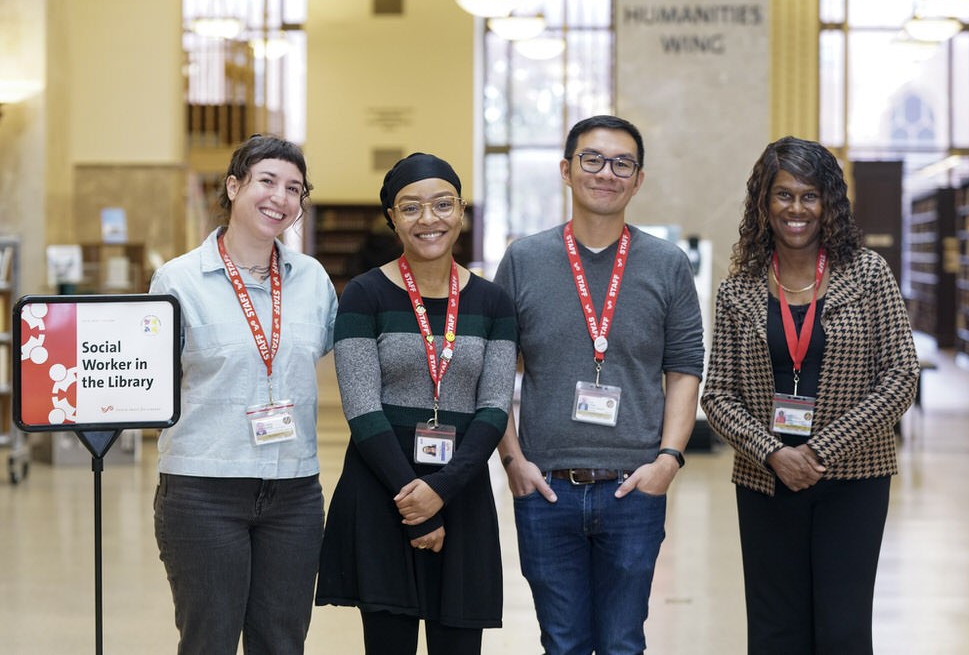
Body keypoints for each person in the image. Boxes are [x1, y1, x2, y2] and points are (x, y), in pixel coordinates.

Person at [493, 115, 705, 655]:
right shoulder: (524, 260)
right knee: (561, 643)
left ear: (638, 180)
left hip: (633, 486)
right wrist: (513, 460)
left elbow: (684, 368)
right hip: (545, 487)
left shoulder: (667, 265)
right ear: (566, 170)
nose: (605, 173)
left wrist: (668, 461)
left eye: (622, 163)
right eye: (592, 159)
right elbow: (494, 370)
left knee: (622, 643)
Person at [700, 136, 919, 653]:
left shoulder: (868, 276)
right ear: (763, 203)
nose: (796, 208)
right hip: (765, 479)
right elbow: (718, 395)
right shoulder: (739, 288)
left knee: (842, 629)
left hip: (854, 480)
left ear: (828, 204)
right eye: (783, 195)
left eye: (809, 195)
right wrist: (774, 452)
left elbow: (901, 375)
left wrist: (820, 450)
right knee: (776, 631)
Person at [315, 153, 518, 655]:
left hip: (461, 491)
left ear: (462, 211)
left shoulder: (492, 303)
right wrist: (415, 500)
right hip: (382, 490)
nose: (429, 219)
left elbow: (494, 407)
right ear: (392, 218)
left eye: (442, 204)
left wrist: (441, 492)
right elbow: (361, 406)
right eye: (411, 208)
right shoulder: (364, 295)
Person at [149, 134, 338, 653]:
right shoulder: (178, 280)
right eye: (267, 181)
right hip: (203, 490)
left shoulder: (314, 281)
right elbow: (150, 378)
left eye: (294, 188)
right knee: (208, 640)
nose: (280, 197)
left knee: (282, 641)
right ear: (233, 187)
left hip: (294, 492)